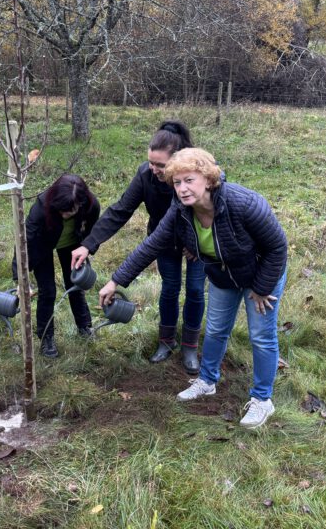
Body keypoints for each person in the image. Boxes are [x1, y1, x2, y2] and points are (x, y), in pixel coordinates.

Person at [99, 148, 288, 429]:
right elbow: (151, 245)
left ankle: (262, 399)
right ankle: (207, 381)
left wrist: (261, 288)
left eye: (189, 180)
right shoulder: (180, 211)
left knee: (260, 335)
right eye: (177, 182)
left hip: (260, 276)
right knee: (214, 330)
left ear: (208, 180)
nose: (183, 189)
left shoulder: (243, 203)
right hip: (224, 277)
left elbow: (277, 247)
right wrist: (116, 281)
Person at [70, 121, 206, 374]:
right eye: (151, 163)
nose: (153, 169)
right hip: (162, 240)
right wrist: (88, 244)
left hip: (197, 243)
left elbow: (211, 213)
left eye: (161, 165)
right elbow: (120, 210)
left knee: (196, 291)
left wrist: (197, 245)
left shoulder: (195, 177)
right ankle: (166, 342)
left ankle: (189, 346)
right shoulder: (146, 175)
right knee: (170, 288)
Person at [15, 174, 100, 358]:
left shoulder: (91, 206)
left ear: (81, 202)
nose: (65, 214)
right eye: (61, 210)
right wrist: (20, 277)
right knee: (48, 291)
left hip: (73, 245)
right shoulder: (41, 207)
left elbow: (94, 231)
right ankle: (46, 338)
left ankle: (85, 326)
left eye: (70, 210)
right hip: (43, 245)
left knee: (75, 285)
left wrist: (87, 247)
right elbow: (26, 240)